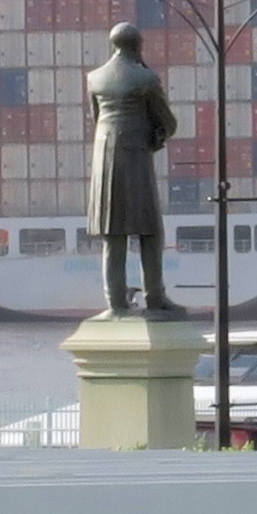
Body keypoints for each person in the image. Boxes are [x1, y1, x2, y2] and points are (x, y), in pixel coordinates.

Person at [86, 22, 184, 318]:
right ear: (138, 45)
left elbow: (97, 118)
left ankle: (115, 304)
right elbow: (168, 122)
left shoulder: (94, 78)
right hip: (136, 158)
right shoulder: (146, 78)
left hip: (103, 160)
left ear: (113, 44)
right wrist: (157, 137)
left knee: (112, 235)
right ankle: (155, 298)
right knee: (150, 231)